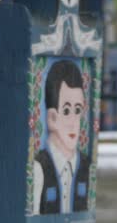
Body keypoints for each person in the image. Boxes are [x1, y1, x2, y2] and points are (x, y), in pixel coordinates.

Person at [33, 60, 90, 214]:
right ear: (52, 118)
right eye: (66, 111)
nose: (73, 122)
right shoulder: (40, 168)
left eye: (77, 110)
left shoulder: (85, 166)